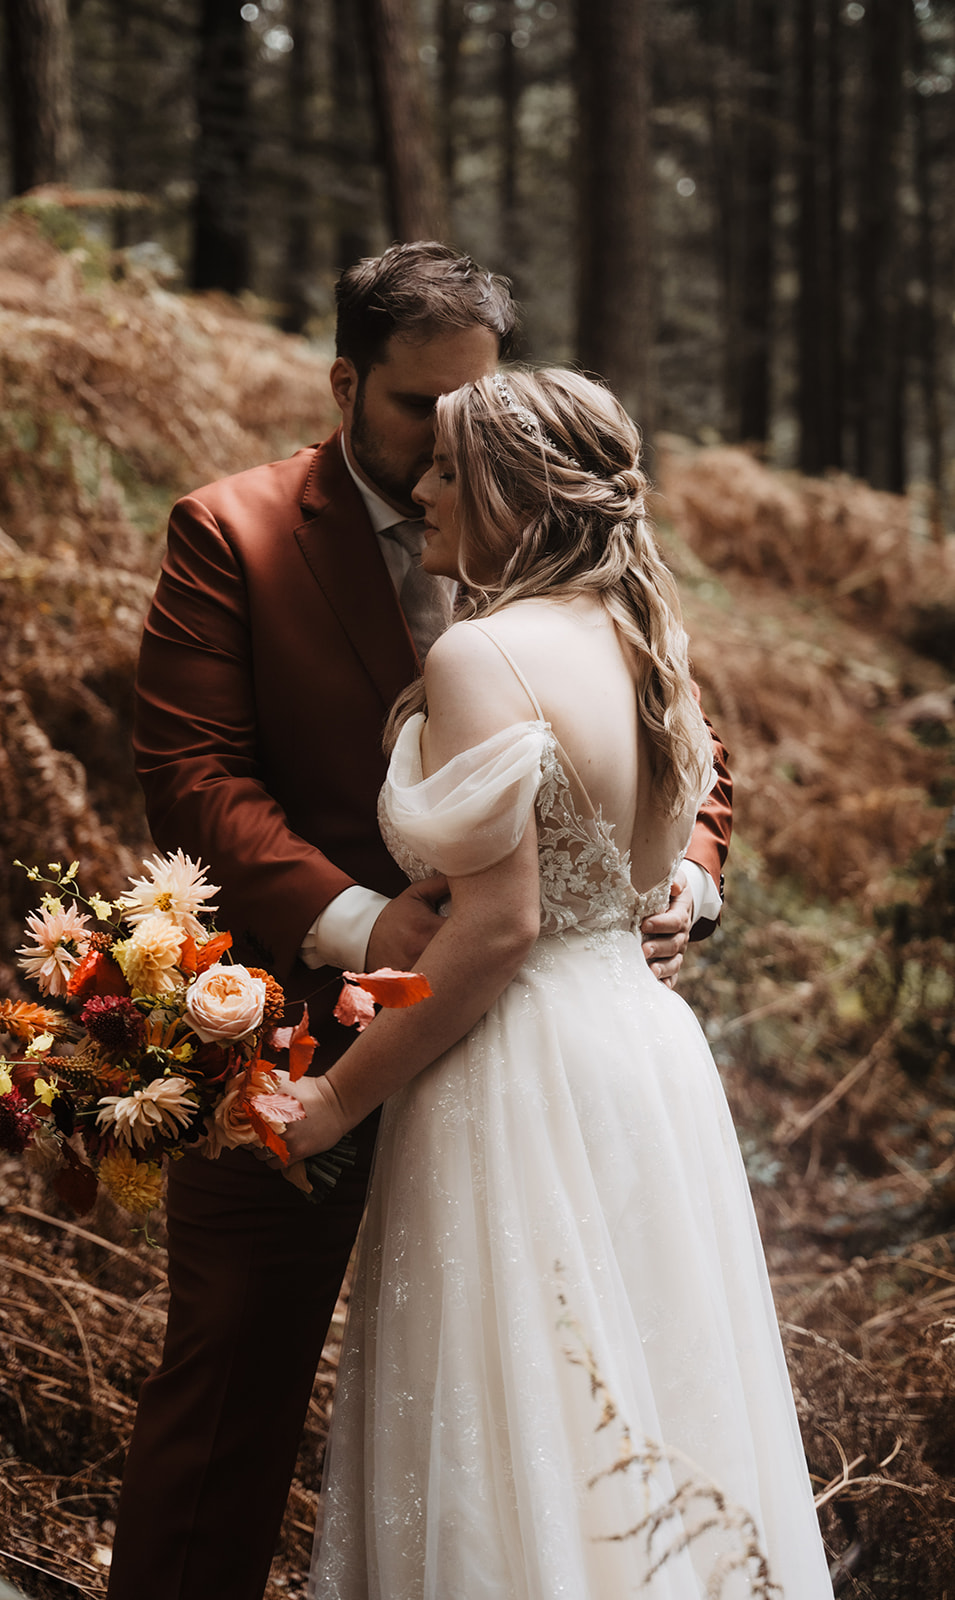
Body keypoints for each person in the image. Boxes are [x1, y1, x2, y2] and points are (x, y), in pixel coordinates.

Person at [110, 246, 732, 1600]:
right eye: (418, 411)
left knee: (558, 1404)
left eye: (476, 401)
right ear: (345, 382)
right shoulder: (236, 532)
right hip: (293, 1022)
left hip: (539, 1066)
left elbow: (681, 744)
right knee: (228, 1394)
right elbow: (195, 776)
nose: (452, 439)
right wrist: (358, 927)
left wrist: (673, 882)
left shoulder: (559, 522)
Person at [281, 369, 832, 1599]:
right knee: (644, 1394)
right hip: (639, 1050)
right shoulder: (643, 638)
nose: (420, 487)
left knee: (519, 1402)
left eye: (444, 471)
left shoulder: (481, 650)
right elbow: (634, 876)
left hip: (515, 1065)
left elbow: (496, 930)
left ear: (507, 495)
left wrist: (330, 1102)